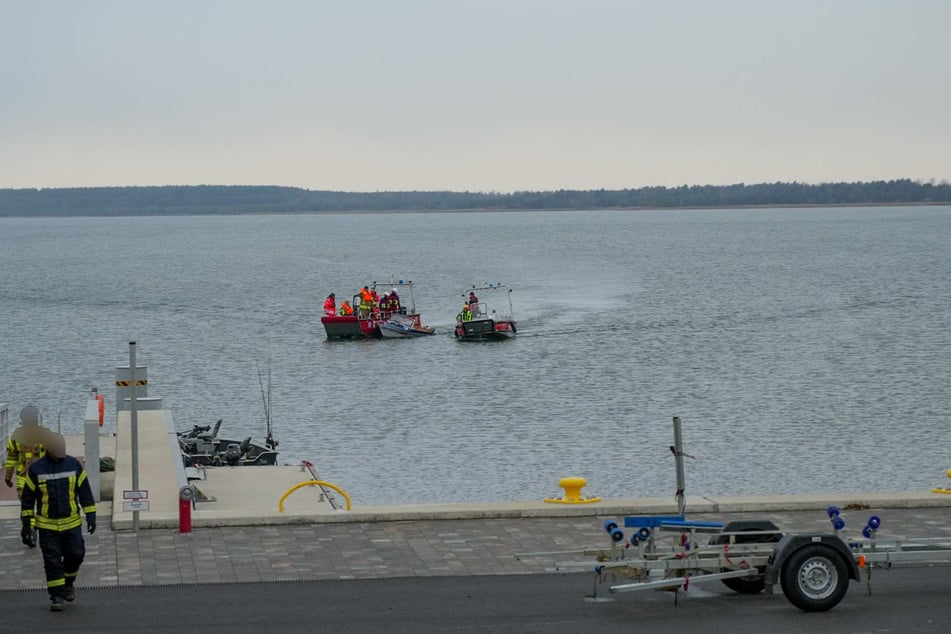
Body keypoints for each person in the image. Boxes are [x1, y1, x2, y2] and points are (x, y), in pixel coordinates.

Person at [21, 430, 96, 611]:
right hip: (47, 526)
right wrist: (27, 526)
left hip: (71, 523)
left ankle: (68, 582)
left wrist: (91, 515)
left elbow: (84, 491)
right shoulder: (36, 470)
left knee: (76, 555)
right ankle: (57, 596)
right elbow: (28, 500)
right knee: (52, 561)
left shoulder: (73, 465)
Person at [5, 405, 46, 502]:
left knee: (30, 501)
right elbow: (12, 458)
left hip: (32, 475)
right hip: (34, 475)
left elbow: (11, 458)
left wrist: (8, 477)